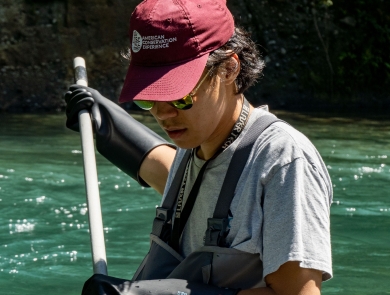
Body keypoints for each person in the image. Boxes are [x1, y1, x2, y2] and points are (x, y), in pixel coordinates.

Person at [65, 0, 333, 294]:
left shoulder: (283, 160)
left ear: (229, 69)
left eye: (179, 96)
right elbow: (168, 172)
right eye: (148, 98)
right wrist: (105, 122)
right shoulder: (195, 145)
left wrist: (146, 294)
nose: (163, 114)